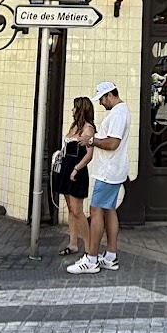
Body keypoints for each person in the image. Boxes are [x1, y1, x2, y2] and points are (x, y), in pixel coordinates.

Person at [68, 80, 131, 275]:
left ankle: (92, 258)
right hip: (113, 169)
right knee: (108, 210)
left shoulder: (119, 114)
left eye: (102, 99)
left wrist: (91, 140)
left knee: (95, 211)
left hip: (108, 171)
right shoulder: (120, 112)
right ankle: (110, 256)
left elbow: (113, 143)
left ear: (110, 95)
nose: (101, 103)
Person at [56, 96, 96, 257]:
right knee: (71, 210)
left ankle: (89, 248)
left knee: (78, 211)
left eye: (75, 108)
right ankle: (73, 244)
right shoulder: (74, 127)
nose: (72, 110)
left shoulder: (88, 129)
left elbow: (89, 154)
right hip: (65, 169)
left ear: (80, 110)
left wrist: (76, 169)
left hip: (76, 172)